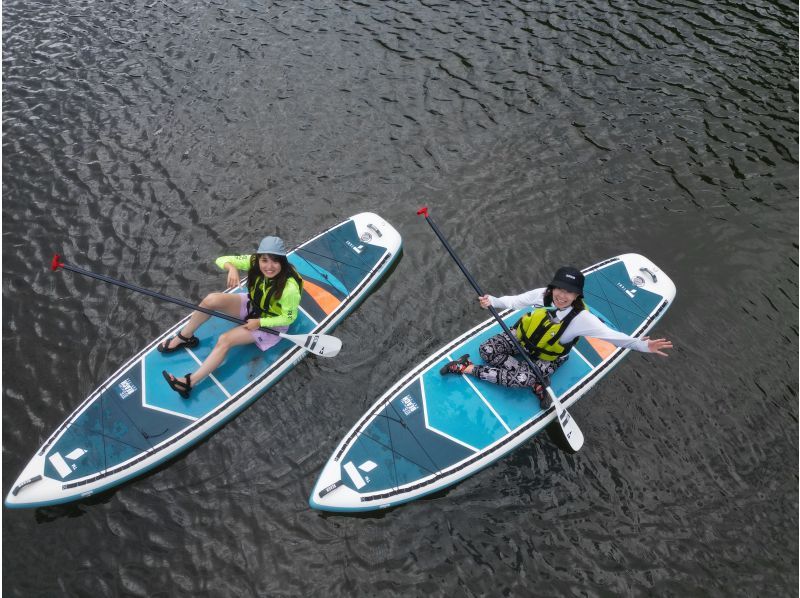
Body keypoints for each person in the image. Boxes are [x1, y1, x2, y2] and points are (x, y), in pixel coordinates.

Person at [440, 266, 672, 408]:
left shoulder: (582, 319)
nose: (562, 296)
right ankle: (534, 379)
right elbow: (513, 301)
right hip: (522, 339)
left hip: (548, 357)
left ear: (577, 295)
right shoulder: (543, 295)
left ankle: (467, 368)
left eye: (569, 292)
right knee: (487, 350)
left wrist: (643, 345)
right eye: (559, 289)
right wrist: (491, 301)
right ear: (553, 287)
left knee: (522, 380)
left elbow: (614, 338)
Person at [161, 236, 303, 399]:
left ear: (282, 262)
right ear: (259, 258)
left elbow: (288, 318)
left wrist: (260, 322)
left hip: (270, 325)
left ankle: (188, 382)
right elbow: (222, 259)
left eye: (275, 261)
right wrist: (232, 268)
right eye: (265, 260)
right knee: (210, 300)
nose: (269, 267)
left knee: (225, 340)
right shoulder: (254, 261)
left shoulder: (290, 289)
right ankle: (185, 337)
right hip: (253, 306)